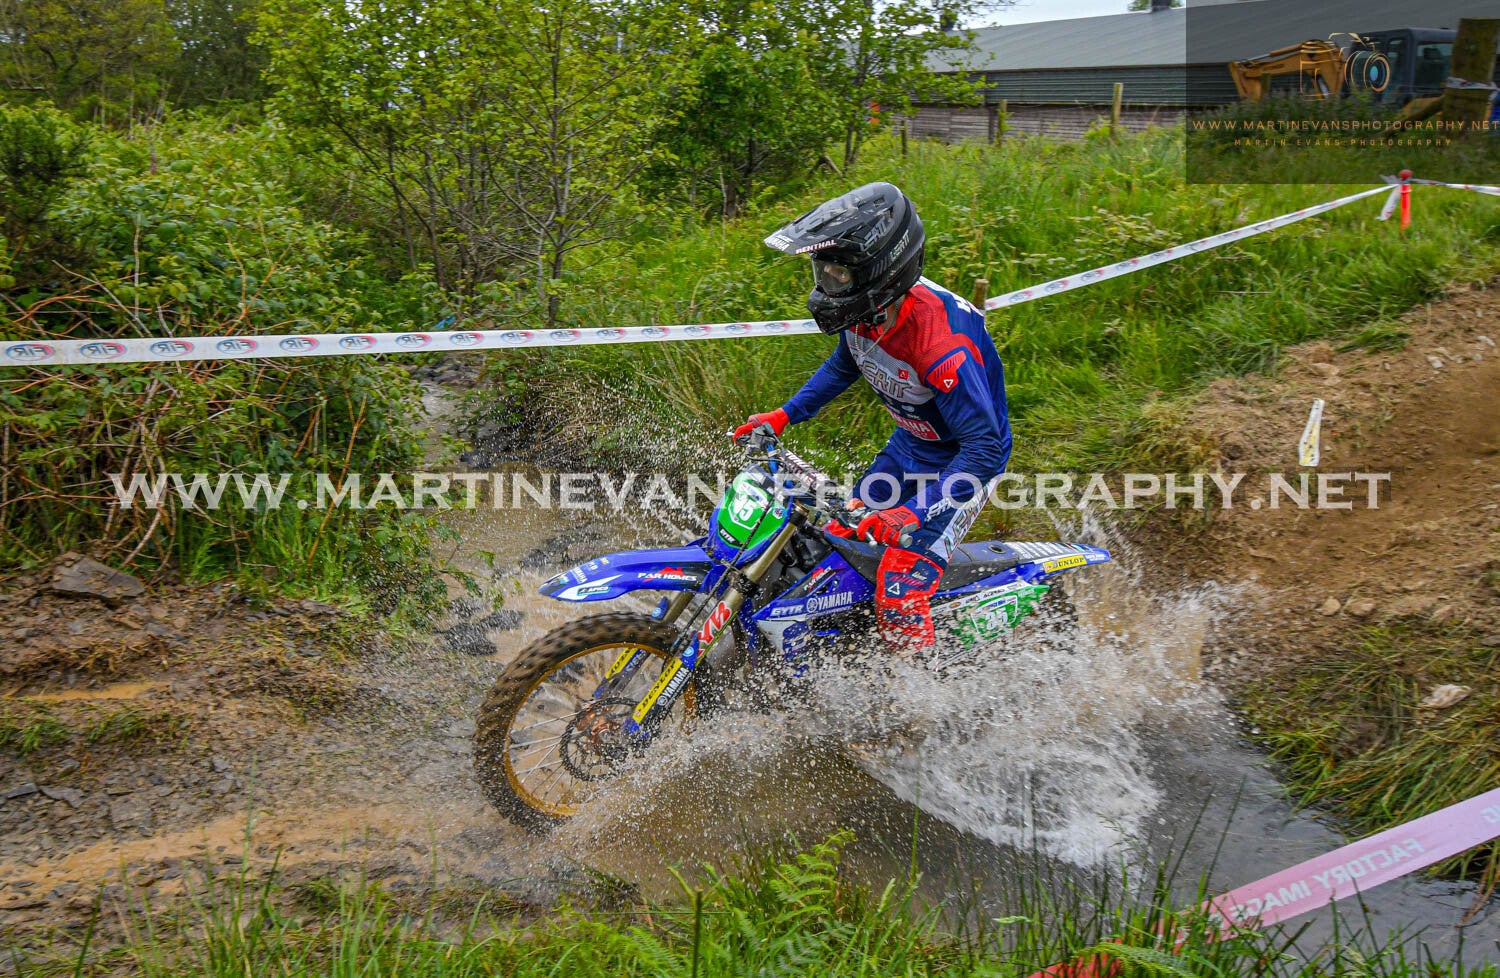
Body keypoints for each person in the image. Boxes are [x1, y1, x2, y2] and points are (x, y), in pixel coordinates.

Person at [733, 182, 1011, 651]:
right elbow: (845, 365)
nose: (827, 282)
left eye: (838, 273)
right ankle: (854, 648)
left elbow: (984, 450)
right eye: (823, 270)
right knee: (838, 544)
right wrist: (784, 415)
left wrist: (911, 512)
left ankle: (923, 689)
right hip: (909, 447)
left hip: (963, 466)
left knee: (900, 585)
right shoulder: (869, 311)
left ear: (879, 273)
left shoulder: (940, 347)